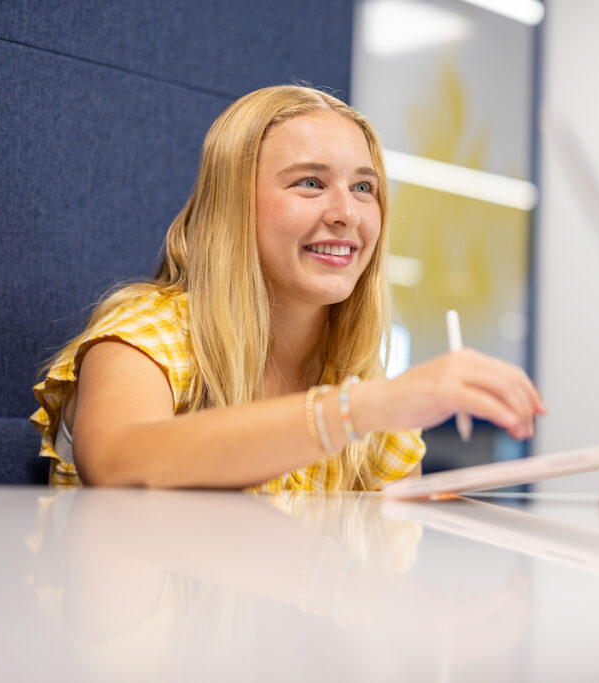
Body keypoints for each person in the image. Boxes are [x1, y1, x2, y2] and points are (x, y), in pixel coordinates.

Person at [30, 85, 546, 492]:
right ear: (233, 206)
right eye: (310, 183)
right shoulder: (148, 334)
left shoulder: (358, 373)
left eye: (363, 187)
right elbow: (119, 462)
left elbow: (388, 572)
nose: (346, 213)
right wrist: (357, 409)